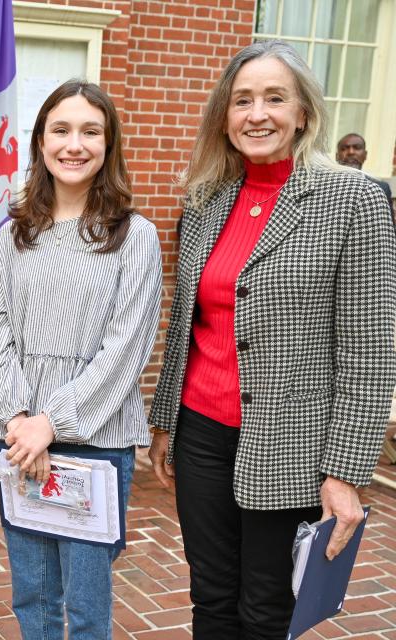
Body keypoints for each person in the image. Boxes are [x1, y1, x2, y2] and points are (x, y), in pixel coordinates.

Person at [148, 40, 396, 639]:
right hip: (201, 433)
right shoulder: (205, 200)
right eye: (242, 101)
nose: (257, 114)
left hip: (291, 444)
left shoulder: (354, 200)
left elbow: (370, 352)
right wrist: (164, 422)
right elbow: (187, 324)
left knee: (265, 611)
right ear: (224, 117)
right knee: (210, 597)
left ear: (303, 112)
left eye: (274, 98)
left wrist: (345, 472)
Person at [0, 79, 162, 640]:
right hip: (17, 435)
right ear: (41, 141)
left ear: (109, 144)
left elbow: (127, 347)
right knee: (32, 595)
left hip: (95, 438)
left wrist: (51, 423)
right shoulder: (14, 234)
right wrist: (19, 419)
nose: (74, 145)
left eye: (90, 132)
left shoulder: (134, 236)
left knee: (85, 605)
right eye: (60, 130)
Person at [336, 132, 393, 211]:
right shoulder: (327, 185)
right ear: (337, 156)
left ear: (365, 155)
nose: (351, 152)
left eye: (357, 148)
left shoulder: (382, 187)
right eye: (344, 148)